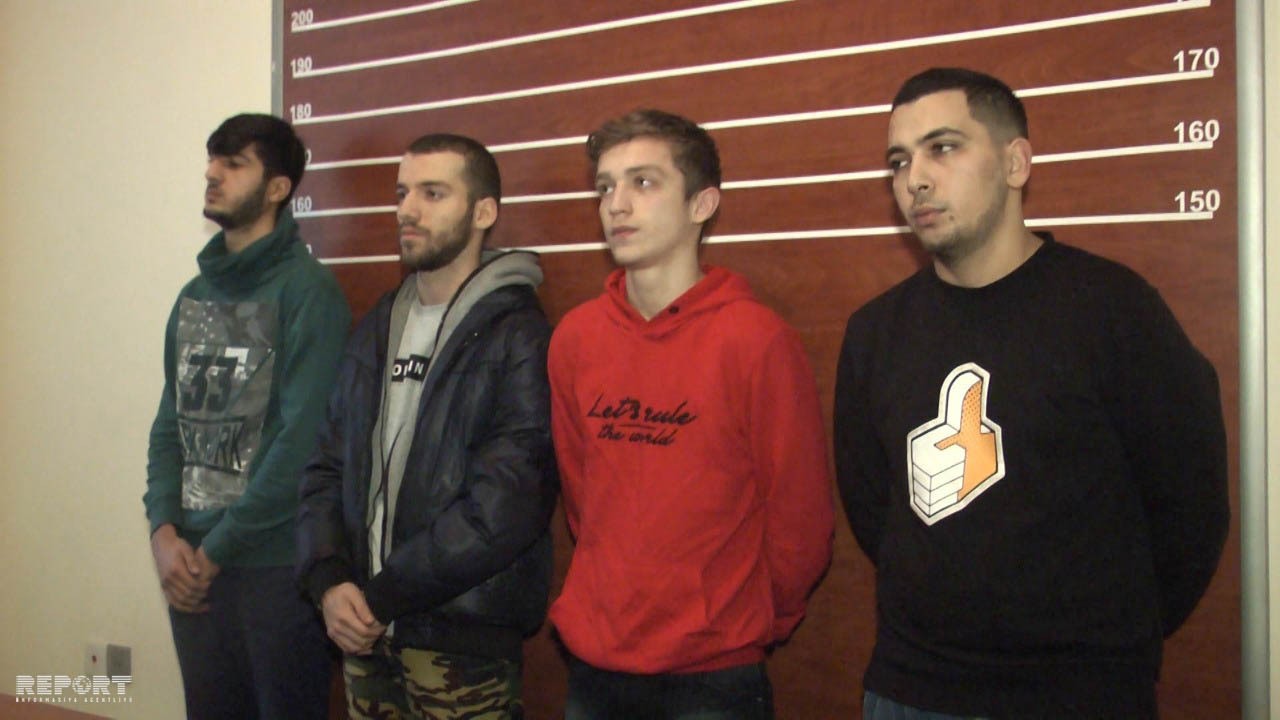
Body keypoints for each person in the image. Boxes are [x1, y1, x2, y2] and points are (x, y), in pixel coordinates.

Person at [833, 67, 1229, 720]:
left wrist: (1103, 646)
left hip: (1079, 695)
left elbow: (1189, 504)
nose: (915, 179)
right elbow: (874, 509)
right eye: (899, 162)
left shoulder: (1112, 310)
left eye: (943, 148)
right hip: (912, 690)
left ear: (1016, 162)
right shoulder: (875, 332)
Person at [548, 109, 834, 719]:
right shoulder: (575, 338)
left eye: (643, 182)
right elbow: (583, 499)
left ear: (702, 204)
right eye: (606, 186)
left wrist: (747, 620)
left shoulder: (756, 340)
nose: (617, 204)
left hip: (713, 677)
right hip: (595, 668)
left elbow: (800, 520)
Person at [295, 133, 557, 719]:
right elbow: (325, 468)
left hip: (459, 644)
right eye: (402, 193)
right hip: (363, 635)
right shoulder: (377, 327)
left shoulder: (518, 335)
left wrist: (383, 594)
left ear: (483, 212)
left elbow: (505, 506)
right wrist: (328, 579)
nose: (407, 210)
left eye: (433, 193)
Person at [144, 113, 351, 718]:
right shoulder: (195, 296)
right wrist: (163, 533)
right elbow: (170, 426)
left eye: (234, 164)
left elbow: (301, 443)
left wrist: (216, 550)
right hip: (193, 568)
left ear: (278, 187)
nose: (213, 174)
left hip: (273, 568)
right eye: (212, 160)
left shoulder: (308, 293)